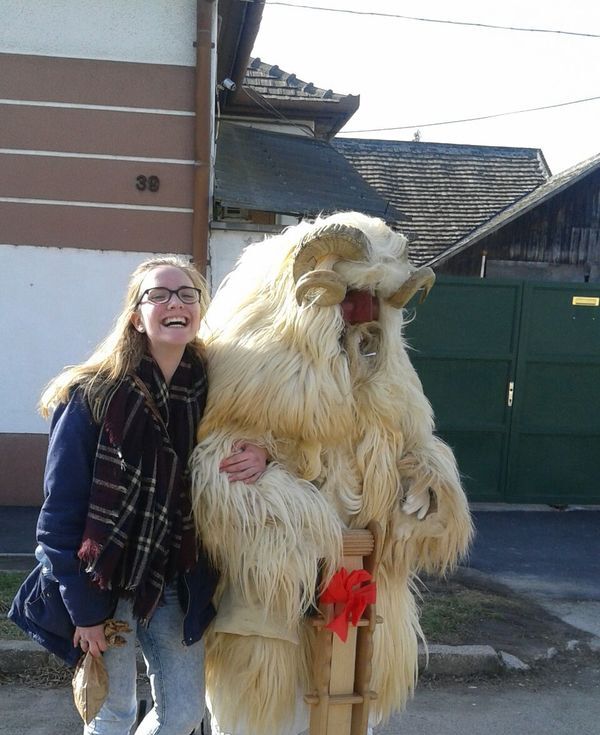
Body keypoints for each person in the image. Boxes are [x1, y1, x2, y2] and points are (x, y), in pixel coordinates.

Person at [9, 256, 268, 735]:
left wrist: (262, 454)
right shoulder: (91, 395)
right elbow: (58, 516)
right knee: (115, 712)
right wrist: (84, 613)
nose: (176, 302)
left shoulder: (214, 392)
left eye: (187, 294)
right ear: (136, 316)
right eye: (160, 294)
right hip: (104, 583)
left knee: (187, 713)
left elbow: (256, 433)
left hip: (174, 576)